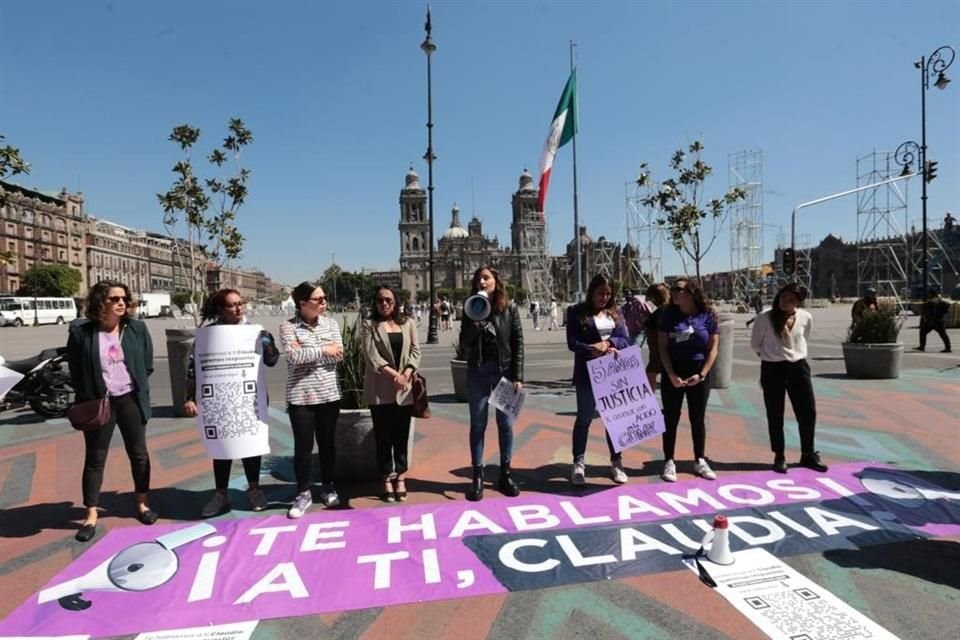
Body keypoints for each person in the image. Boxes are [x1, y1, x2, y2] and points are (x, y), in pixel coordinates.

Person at [66, 281, 156, 542]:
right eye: (114, 298)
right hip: (99, 403)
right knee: (95, 458)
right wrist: (91, 392)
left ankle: (142, 503)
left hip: (129, 399)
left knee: (139, 454)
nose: (121, 303)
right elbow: (75, 367)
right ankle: (91, 514)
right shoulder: (81, 331)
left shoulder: (136, 328)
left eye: (124, 298)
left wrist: (131, 384)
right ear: (99, 302)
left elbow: (147, 365)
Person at [184, 289, 280, 517]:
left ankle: (255, 490)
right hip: (218, 399)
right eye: (232, 305)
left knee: (250, 446)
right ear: (220, 309)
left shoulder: (255, 331)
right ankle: (221, 494)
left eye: (241, 303)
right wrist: (189, 397)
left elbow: (273, 360)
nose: (239, 308)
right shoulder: (208, 335)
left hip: (249, 399)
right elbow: (193, 367)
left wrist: (267, 342)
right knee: (222, 448)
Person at [279, 281, 344, 518]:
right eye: (319, 299)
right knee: (303, 447)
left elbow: (338, 355)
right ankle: (303, 492)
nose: (324, 303)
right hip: (301, 396)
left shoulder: (331, 324)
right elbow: (293, 357)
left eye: (325, 298)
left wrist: (313, 350)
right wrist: (323, 349)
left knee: (327, 445)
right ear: (302, 303)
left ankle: (328, 486)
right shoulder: (288, 327)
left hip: (329, 394)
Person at [459, 265, 524, 501]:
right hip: (477, 372)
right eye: (478, 279)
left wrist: (518, 376)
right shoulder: (471, 307)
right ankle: (477, 475)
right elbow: (463, 343)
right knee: (478, 423)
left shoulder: (510, 308)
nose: (482, 283)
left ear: (496, 280)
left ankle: (505, 474)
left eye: (486, 278)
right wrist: (475, 321)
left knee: (506, 424)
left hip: (504, 373)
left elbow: (518, 341)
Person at [750, 282, 827, 474]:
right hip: (772, 368)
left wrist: (793, 356)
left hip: (798, 367)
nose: (785, 302)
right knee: (775, 413)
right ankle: (779, 455)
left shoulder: (805, 317)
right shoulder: (764, 317)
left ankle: (808, 453)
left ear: (798, 303)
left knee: (808, 411)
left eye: (791, 300)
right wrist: (770, 357)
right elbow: (755, 344)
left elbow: (803, 338)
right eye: (784, 297)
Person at [566, 274, 632, 485]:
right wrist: (591, 349)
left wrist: (610, 343)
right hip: (588, 373)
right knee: (584, 419)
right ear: (591, 292)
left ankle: (616, 461)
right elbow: (572, 342)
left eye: (608, 294)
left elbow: (624, 339)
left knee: (614, 419)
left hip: (612, 373)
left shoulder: (615, 313)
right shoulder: (576, 312)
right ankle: (578, 462)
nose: (604, 297)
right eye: (600, 293)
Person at [362, 285, 422, 502]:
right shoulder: (369, 325)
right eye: (380, 300)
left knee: (401, 435)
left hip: (403, 389)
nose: (384, 304)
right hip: (381, 388)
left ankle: (401, 476)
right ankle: (386, 477)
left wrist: (406, 373)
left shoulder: (408, 323)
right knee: (383, 436)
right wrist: (394, 375)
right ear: (375, 303)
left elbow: (415, 351)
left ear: (395, 301)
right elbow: (371, 357)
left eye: (388, 300)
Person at [657, 277, 719, 483]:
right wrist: (672, 375)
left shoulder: (708, 316)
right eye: (672, 288)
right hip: (674, 371)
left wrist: (701, 374)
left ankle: (699, 459)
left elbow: (713, 349)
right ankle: (669, 460)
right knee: (671, 418)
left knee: (697, 417)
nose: (673, 292)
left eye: (679, 289)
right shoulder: (668, 316)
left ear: (692, 293)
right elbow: (662, 349)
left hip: (699, 372)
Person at [643, 283, 670, 390]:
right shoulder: (666, 310)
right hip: (659, 352)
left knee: (650, 375)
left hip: (658, 352)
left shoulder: (659, 312)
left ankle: (650, 402)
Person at [915, 285, 952, 353]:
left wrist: (930, 320)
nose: (928, 295)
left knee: (923, 332)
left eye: (929, 293)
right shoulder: (940, 300)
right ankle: (948, 348)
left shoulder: (932, 302)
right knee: (943, 334)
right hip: (940, 321)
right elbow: (947, 308)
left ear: (931, 294)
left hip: (933, 322)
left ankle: (922, 347)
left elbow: (932, 312)